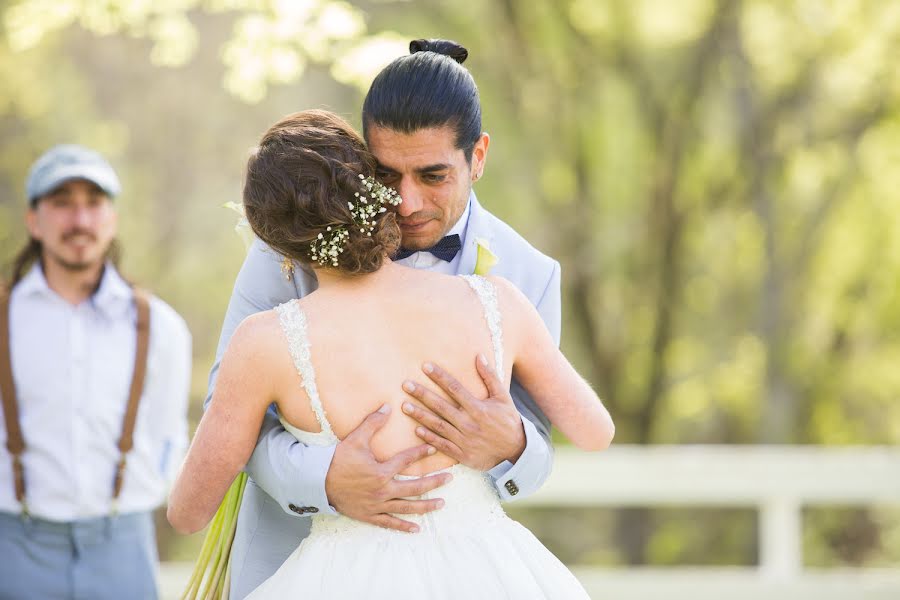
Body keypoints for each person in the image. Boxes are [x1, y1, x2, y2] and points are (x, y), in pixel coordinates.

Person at [168, 109, 613, 598]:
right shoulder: (496, 301)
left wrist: (510, 442)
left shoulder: (266, 342)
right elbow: (595, 432)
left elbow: (188, 513)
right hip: (488, 573)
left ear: (275, 243)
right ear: (377, 197)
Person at [0, 144, 192, 600]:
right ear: (34, 220)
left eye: (94, 203)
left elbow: (168, 435)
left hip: (123, 547)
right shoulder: (4, 319)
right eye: (62, 203)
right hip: (14, 546)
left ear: (112, 217)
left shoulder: (159, 326)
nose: (80, 221)